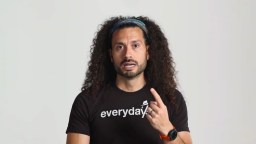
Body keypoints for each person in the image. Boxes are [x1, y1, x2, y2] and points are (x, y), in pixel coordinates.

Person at [66, 16, 192, 144]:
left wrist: (167, 129)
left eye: (135, 45)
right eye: (120, 47)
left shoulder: (171, 98)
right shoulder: (87, 101)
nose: (127, 54)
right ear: (111, 55)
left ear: (147, 52)